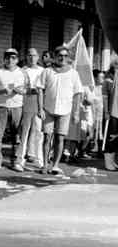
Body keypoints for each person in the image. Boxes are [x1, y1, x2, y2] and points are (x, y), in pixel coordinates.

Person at [40, 45, 83, 176]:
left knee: (60, 138)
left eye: (65, 56)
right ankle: (45, 164)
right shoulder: (47, 71)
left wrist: (76, 112)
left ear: (68, 57)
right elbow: (40, 89)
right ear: (55, 56)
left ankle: (55, 165)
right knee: (47, 137)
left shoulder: (73, 73)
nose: (62, 58)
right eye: (60, 55)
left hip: (65, 110)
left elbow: (78, 93)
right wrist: (40, 108)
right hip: (48, 109)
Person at [0, 48, 25, 171]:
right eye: (8, 57)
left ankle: (16, 161)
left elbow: (28, 89)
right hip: (1, 106)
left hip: (17, 106)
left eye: (13, 58)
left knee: (17, 136)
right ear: (4, 59)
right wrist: (3, 90)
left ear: (17, 59)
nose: (10, 60)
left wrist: (20, 91)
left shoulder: (22, 72)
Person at [17, 48, 45, 170]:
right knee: (24, 132)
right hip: (26, 101)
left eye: (34, 55)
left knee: (39, 132)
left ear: (38, 57)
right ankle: (20, 159)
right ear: (26, 57)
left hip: (40, 102)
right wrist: (26, 91)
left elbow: (45, 88)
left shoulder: (43, 70)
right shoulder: (22, 70)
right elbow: (18, 87)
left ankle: (39, 159)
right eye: (29, 55)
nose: (32, 58)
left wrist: (42, 106)